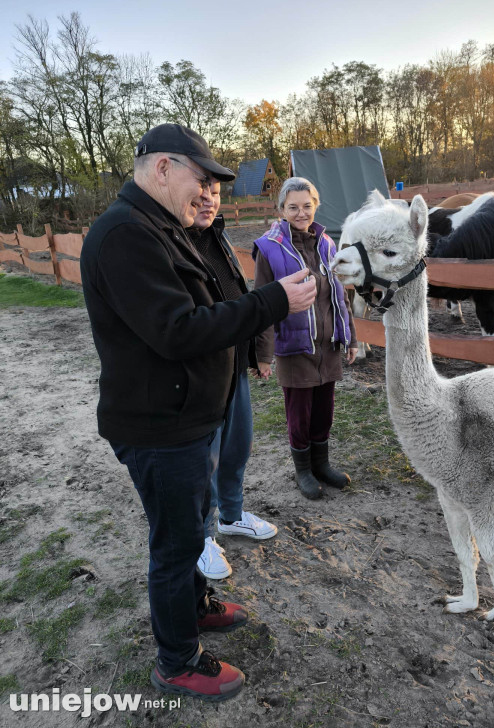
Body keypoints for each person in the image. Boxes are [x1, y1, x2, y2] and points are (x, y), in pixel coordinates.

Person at [80, 124, 316, 702]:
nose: (209, 191)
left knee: (193, 523)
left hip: (188, 416)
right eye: (202, 177)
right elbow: (177, 331)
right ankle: (177, 660)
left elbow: (207, 304)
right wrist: (273, 301)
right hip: (160, 426)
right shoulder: (125, 236)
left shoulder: (164, 227)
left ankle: (197, 607)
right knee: (177, 543)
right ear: (163, 168)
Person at [187, 181, 277, 582]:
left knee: (238, 446)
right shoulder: (174, 245)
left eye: (216, 193)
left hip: (235, 365)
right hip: (204, 375)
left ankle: (232, 515)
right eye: (201, 192)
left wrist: (258, 351)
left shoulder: (218, 238)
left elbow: (241, 294)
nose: (209, 201)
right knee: (204, 459)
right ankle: (201, 536)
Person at [253, 177, 358, 500]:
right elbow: (262, 304)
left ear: (316, 206)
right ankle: (303, 470)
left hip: (327, 345)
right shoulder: (269, 249)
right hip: (294, 347)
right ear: (282, 209)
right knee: (300, 414)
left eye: (307, 206)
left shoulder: (327, 244)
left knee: (324, 410)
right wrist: (263, 354)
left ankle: (321, 464)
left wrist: (350, 337)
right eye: (293, 207)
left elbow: (339, 295)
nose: (301, 213)